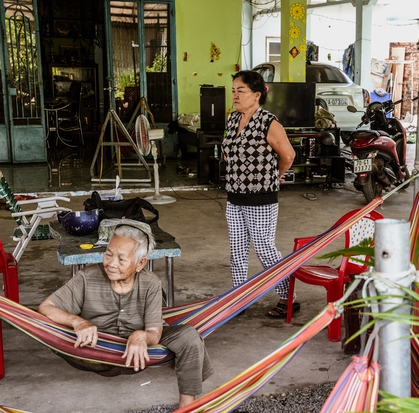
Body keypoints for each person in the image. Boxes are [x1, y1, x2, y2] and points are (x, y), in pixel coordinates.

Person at [38, 221, 213, 408]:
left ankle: (187, 408)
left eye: (121, 259)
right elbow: (46, 307)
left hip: (137, 353)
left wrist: (141, 336)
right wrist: (78, 322)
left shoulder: (150, 283)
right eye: (108, 254)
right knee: (48, 328)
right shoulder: (87, 277)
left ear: (140, 263)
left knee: (189, 336)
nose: (111, 264)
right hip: (91, 349)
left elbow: (154, 332)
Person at [221, 70, 297, 319]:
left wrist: (275, 175)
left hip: (261, 198)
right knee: (238, 250)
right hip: (235, 196)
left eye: (240, 91)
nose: (235, 95)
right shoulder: (233, 119)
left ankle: (289, 298)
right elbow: (228, 150)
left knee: (264, 248)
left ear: (256, 95)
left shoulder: (268, 122)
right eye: (233, 90)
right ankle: (238, 299)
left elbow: (288, 156)